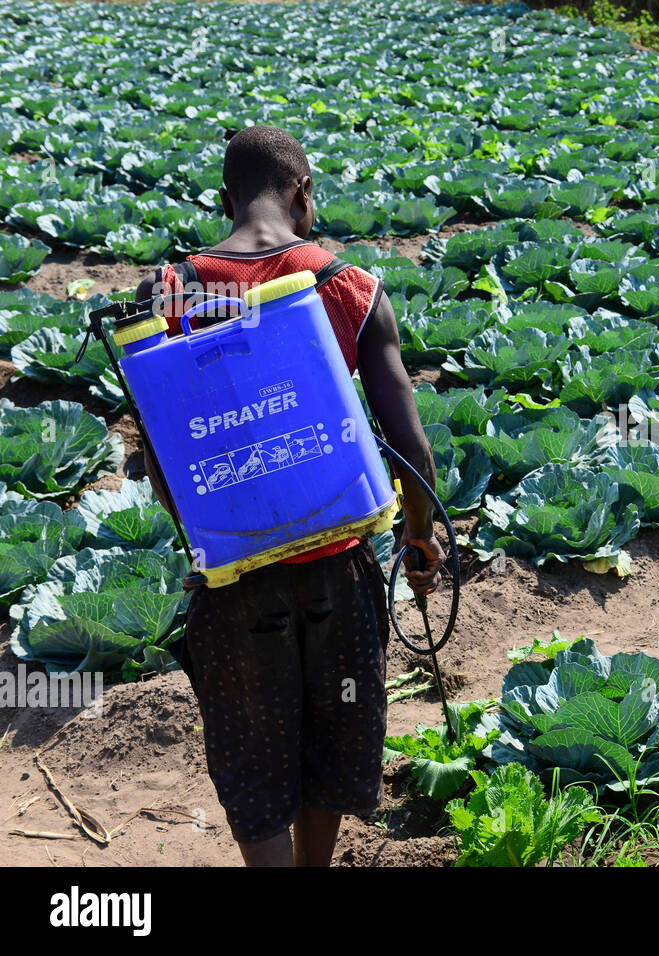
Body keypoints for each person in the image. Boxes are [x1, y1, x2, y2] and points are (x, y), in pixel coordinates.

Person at [133, 125, 444, 866]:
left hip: (238, 585)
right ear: (303, 193)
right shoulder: (350, 287)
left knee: (254, 753)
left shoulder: (170, 293)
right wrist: (421, 536)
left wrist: (210, 545)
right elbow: (410, 447)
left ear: (225, 199)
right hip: (337, 573)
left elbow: (160, 456)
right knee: (331, 736)